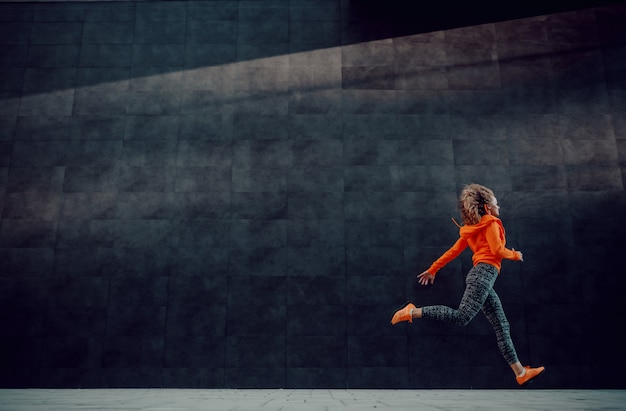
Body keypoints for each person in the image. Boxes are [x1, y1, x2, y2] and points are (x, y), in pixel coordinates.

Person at [391, 183, 545, 387]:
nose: (499, 206)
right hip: (483, 275)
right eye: (496, 202)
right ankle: (412, 311)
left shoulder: (471, 230)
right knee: (461, 317)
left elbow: (452, 252)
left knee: (502, 325)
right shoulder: (492, 223)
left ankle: (520, 372)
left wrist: (433, 269)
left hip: (483, 277)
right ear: (488, 207)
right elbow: (498, 251)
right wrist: (515, 255)